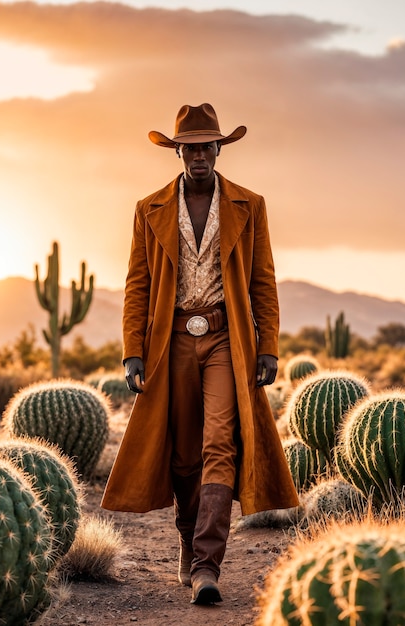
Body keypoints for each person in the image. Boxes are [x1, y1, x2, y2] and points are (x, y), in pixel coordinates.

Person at [101, 103, 299, 605]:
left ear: (218, 149)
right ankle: (189, 548)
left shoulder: (248, 205)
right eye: (190, 148)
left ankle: (208, 565)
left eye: (207, 146)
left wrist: (268, 345)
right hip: (170, 343)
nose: (199, 156)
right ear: (179, 153)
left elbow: (263, 280)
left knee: (219, 443)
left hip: (224, 340)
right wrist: (133, 351)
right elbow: (137, 284)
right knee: (185, 454)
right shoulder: (150, 209)